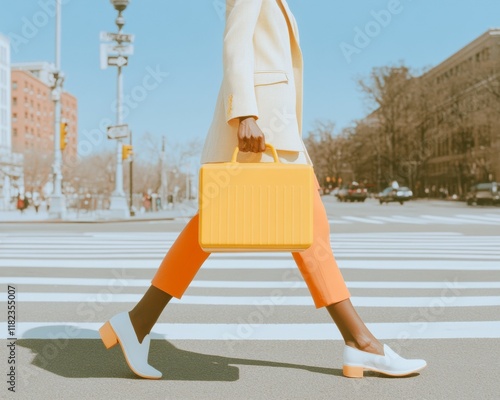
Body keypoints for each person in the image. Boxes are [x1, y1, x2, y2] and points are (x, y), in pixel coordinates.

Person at [99, 0, 426, 380]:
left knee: (232, 232)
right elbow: (235, 44)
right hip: (260, 133)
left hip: (279, 136)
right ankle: (361, 344)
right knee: (269, 232)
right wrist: (245, 115)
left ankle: (137, 323)